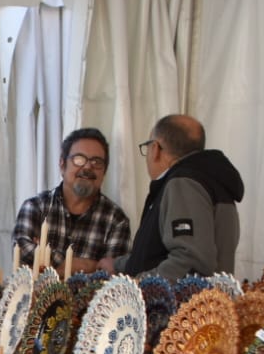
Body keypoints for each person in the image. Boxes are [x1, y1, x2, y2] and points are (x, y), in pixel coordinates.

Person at [104, 114, 244, 280]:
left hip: (179, 298)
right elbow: (158, 254)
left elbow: (190, 262)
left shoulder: (184, 184)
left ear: (155, 149)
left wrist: (136, 285)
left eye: (147, 147)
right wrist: (118, 264)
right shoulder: (210, 182)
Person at [12, 127, 132, 274]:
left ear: (104, 172)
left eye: (96, 162)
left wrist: (43, 258)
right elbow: (21, 259)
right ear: (62, 165)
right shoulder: (35, 208)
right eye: (79, 159)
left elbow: (111, 279)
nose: (88, 167)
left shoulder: (116, 221)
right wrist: (87, 265)